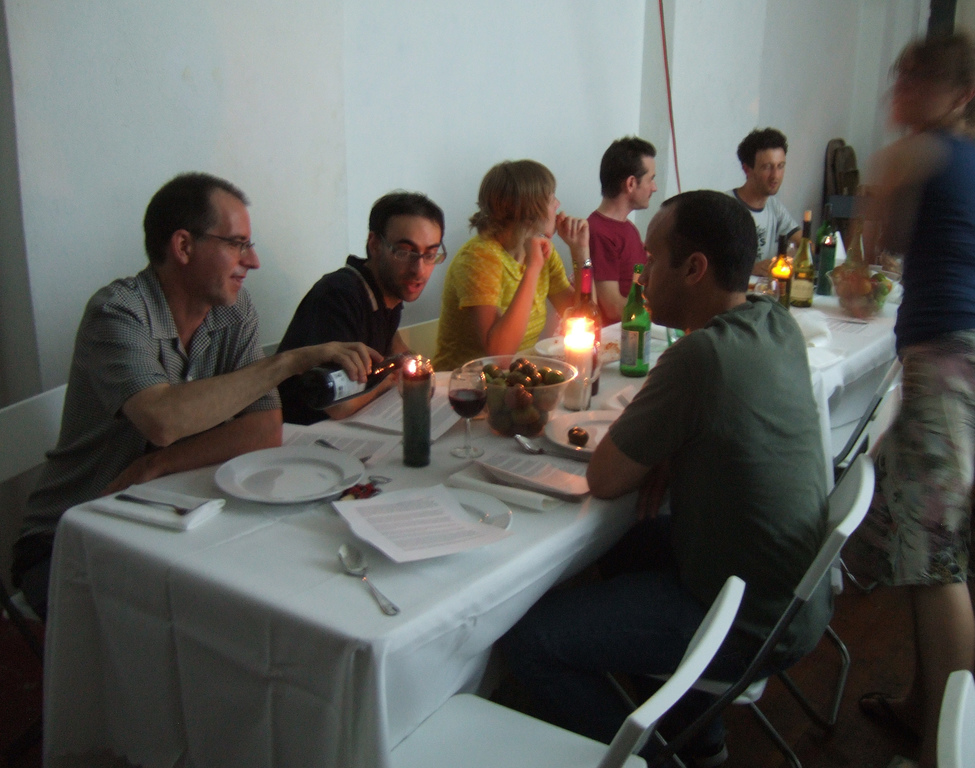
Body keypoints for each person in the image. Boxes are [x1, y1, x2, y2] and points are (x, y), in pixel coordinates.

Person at [501, 190, 830, 766]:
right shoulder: (773, 322)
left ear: (694, 268)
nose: (640, 273)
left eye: (650, 259)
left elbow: (604, 479)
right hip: (795, 596)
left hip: (746, 620)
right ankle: (699, 741)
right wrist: (670, 454)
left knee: (531, 641)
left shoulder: (699, 358)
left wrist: (655, 448)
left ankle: (649, 759)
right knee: (623, 545)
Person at [11, 172, 378, 619]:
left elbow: (263, 428)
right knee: (198, 622)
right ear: (183, 247)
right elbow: (161, 419)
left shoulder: (233, 309)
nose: (254, 260)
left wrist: (155, 464)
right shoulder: (118, 311)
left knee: (269, 595)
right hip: (72, 534)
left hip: (170, 515)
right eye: (237, 244)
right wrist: (286, 362)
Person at [843, 32, 975, 768]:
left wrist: (868, 260)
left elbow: (861, 273)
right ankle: (927, 709)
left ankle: (941, 753)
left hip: (944, 367)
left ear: (955, 96)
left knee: (933, 565)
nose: (897, 90)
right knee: (939, 558)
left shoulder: (910, 153)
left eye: (910, 79)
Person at [276, 191, 445, 424]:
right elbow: (338, 405)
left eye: (430, 254)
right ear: (375, 244)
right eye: (404, 252)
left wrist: (407, 358)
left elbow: (391, 339)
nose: (419, 269)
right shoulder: (339, 295)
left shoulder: (387, 289)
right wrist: (390, 380)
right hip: (302, 435)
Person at [433, 159, 587, 370]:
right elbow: (500, 356)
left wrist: (580, 252)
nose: (558, 205)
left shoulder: (541, 251)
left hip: (516, 380)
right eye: (552, 199)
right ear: (531, 210)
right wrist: (532, 270)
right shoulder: (479, 257)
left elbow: (584, 317)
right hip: (463, 387)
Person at [588, 137, 658, 325]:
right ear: (631, 184)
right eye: (651, 179)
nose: (655, 188)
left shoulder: (628, 227)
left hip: (637, 329)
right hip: (618, 341)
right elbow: (613, 308)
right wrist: (662, 308)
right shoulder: (599, 232)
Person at [731, 127, 800, 275]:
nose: (775, 176)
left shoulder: (775, 208)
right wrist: (750, 268)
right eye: (767, 167)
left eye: (780, 166)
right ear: (747, 169)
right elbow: (711, 262)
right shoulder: (726, 207)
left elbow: (806, 245)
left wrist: (790, 255)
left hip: (765, 293)